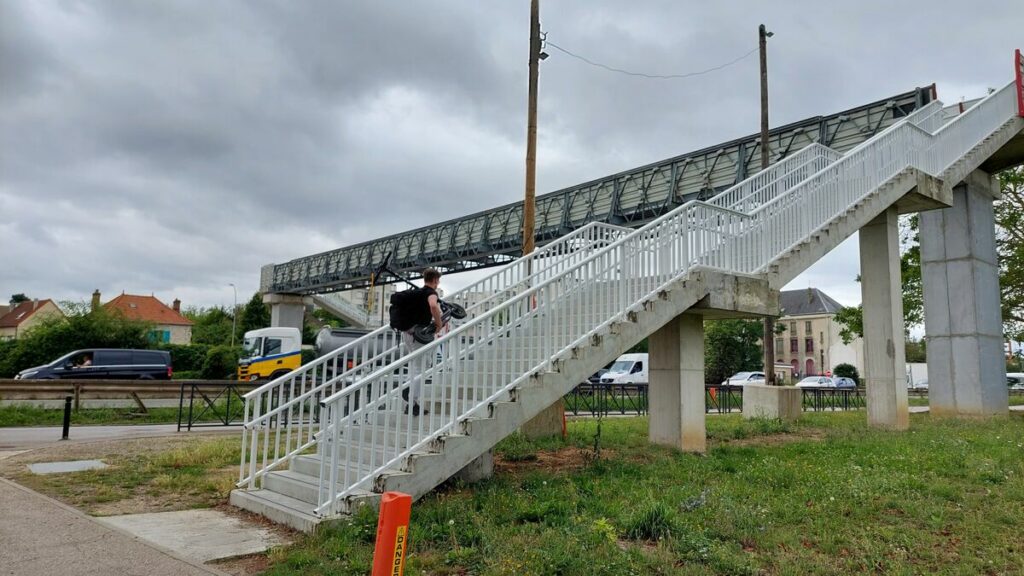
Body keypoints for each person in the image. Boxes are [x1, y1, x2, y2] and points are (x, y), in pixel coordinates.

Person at [402, 268, 444, 416]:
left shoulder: (417, 293)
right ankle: (412, 403)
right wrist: (438, 324)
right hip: (419, 335)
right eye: (438, 280)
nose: (438, 283)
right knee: (421, 368)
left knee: (415, 365)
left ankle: (408, 389)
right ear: (434, 280)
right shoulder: (430, 293)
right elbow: (433, 306)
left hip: (408, 333)